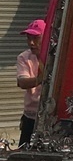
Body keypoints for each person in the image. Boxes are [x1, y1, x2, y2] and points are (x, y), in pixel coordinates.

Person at [15, 19, 45, 148]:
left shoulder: (57, 56)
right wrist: (41, 79)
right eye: (28, 38)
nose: (31, 43)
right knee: (24, 157)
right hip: (31, 117)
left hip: (51, 119)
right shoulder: (24, 57)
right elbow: (22, 82)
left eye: (36, 38)